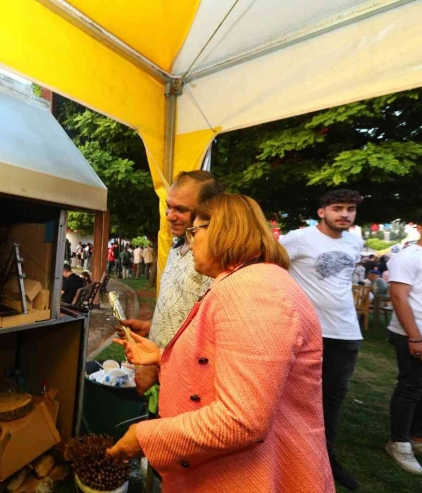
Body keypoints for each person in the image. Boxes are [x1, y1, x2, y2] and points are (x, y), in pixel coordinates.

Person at [108, 194, 333, 492]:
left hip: (252, 476)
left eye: (194, 231)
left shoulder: (253, 290)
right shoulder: (247, 281)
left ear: (222, 230)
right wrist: (163, 356)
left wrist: (146, 436)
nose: (190, 243)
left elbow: (241, 419)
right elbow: (220, 361)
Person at [280, 189, 364, 490]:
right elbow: (273, 268)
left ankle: (325, 457)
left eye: (350, 209)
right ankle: (287, 454)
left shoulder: (356, 241)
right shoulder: (297, 239)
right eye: (337, 208)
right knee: (294, 394)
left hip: (346, 332)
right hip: (306, 331)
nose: (344, 214)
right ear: (322, 212)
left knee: (333, 398)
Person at [119, 170, 224, 396]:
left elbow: (208, 336)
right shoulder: (179, 246)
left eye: (181, 209)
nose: (169, 215)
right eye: (169, 206)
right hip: (162, 374)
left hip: (188, 385)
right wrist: (152, 327)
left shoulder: (214, 260)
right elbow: (185, 310)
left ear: (208, 211)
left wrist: (159, 360)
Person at [386, 221, 422, 474]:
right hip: (412, 332)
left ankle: (417, 437)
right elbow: (399, 297)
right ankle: (399, 442)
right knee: (410, 387)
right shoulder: (408, 257)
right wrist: (415, 337)